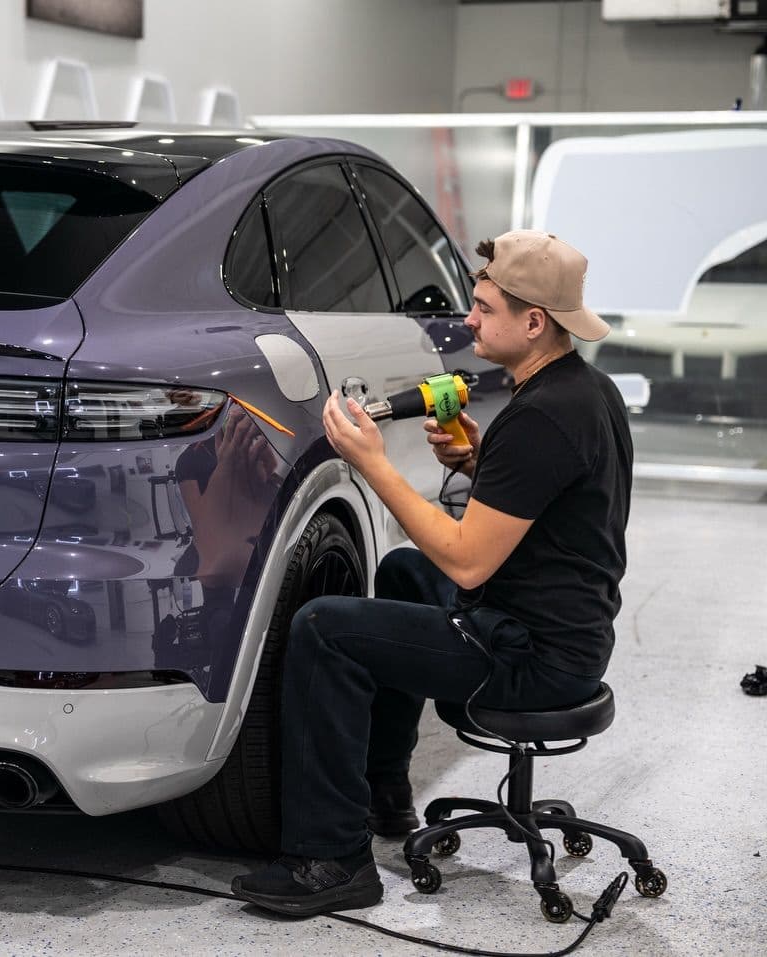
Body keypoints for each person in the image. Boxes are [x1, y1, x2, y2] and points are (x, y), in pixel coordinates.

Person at [232, 229, 633, 917]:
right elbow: (552, 516)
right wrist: (479, 466)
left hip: (530, 655)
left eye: (482, 307)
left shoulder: (543, 418)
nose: (468, 318)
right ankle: (384, 791)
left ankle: (331, 859)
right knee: (407, 572)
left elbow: (468, 557)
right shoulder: (583, 391)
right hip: (566, 631)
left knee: (325, 628)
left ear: (534, 321)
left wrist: (372, 460)